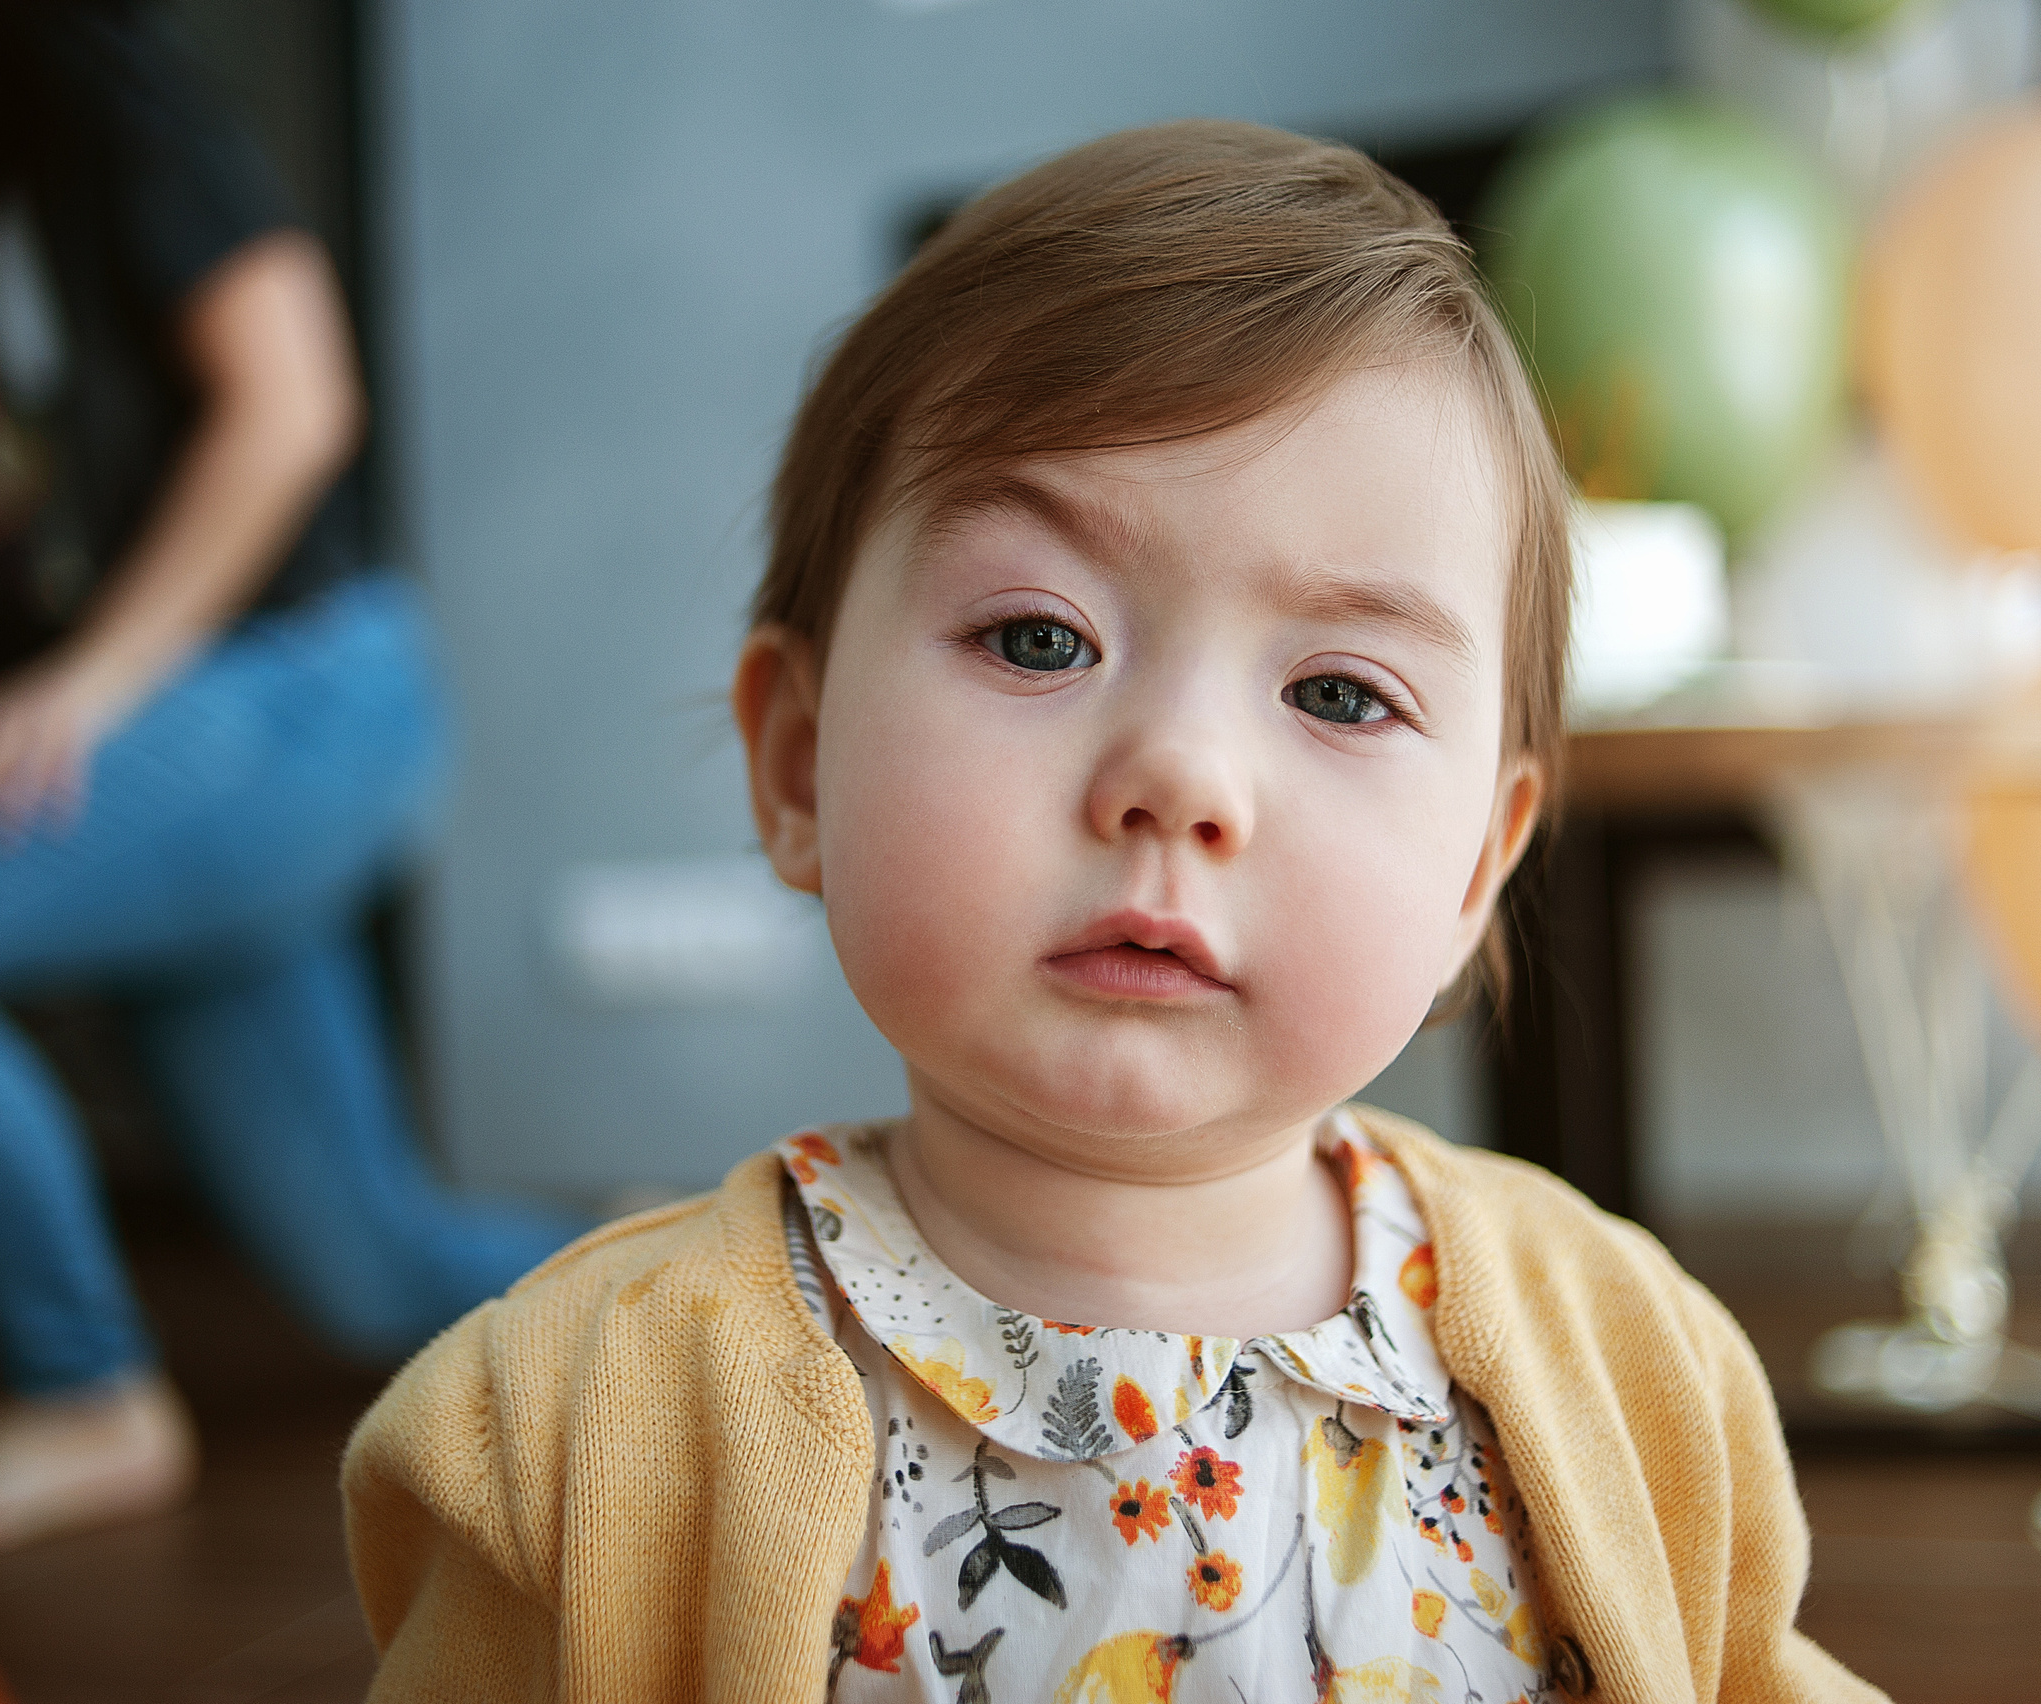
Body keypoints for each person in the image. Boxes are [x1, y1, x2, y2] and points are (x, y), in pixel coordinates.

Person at [341, 122, 1884, 1702]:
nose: (1180, 775)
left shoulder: (1628, 1364)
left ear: (1478, 869)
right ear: (800, 763)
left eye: (1341, 692)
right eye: (1039, 640)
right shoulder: (580, 1427)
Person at [0, 0, 580, 1560]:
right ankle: (757, 1280)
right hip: (129, 757)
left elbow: (294, 404)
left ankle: (82, 1395)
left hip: (285, 687)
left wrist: (87, 684)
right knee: (372, 1274)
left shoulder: (76, 61)